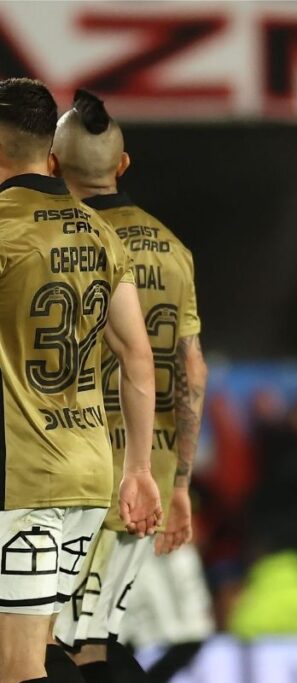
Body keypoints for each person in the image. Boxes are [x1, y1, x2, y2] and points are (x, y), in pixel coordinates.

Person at [0, 78, 162, 683]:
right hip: (88, 474)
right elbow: (137, 357)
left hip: (20, 484)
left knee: (16, 669)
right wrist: (139, 469)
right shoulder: (99, 233)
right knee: (42, 654)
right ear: (48, 152)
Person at [48, 89, 206, 682]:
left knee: (46, 646)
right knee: (93, 642)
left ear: (52, 165)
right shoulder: (173, 250)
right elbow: (192, 371)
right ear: (123, 165)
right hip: (151, 480)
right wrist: (182, 481)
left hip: (71, 477)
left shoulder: (57, 244)